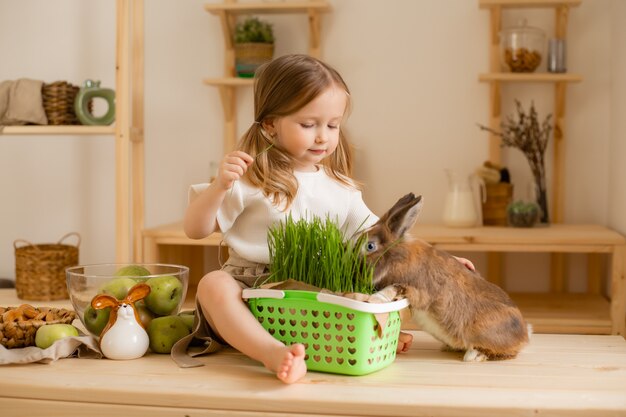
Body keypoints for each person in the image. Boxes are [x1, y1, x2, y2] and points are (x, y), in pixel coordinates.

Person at [184, 54, 473, 384]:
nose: (323, 136)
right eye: (308, 125)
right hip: (249, 292)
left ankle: (366, 333)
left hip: (311, 295)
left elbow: (385, 240)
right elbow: (196, 229)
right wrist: (220, 186)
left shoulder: (341, 188)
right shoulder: (251, 179)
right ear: (270, 125)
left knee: (366, 277)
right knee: (212, 285)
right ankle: (270, 352)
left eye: (333, 125)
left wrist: (443, 263)